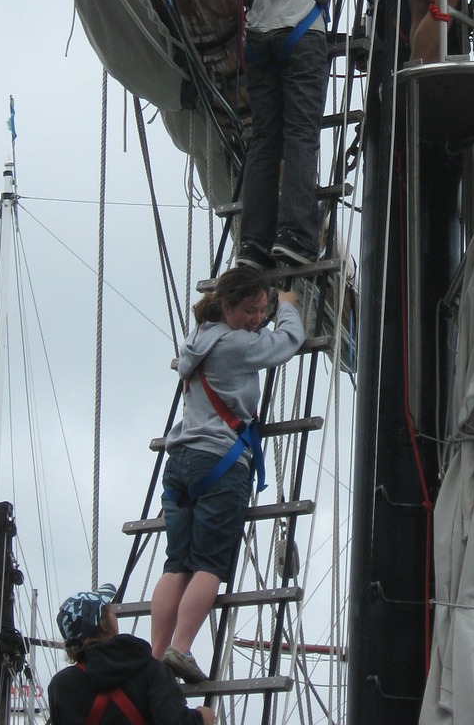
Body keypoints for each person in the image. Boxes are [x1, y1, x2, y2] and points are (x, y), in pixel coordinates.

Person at [149, 268, 305, 684]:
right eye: (250, 310)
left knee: (176, 563)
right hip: (220, 462)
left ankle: (156, 652)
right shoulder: (237, 345)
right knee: (211, 566)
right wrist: (286, 308)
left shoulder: (198, 338)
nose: (258, 318)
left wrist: (266, 310)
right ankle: (180, 649)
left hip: (179, 460)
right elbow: (287, 342)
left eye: (263, 309)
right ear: (227, 307)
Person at [238, 0, 383, 269]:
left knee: (265, 140)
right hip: (302, 36)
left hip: (259, 38)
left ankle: (253, 243)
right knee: (301, 134)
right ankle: (296, 235)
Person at [48, 584, 215, 725]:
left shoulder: (60, 685)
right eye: (109, 611)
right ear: (104, 625)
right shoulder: (150, 670)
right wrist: (202, 718)